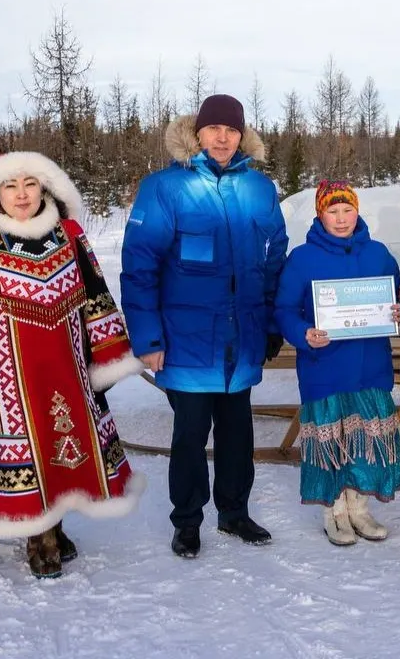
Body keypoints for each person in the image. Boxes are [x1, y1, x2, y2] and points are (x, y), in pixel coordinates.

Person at [0, 151, 144, 579]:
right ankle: (40, 537)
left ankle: (55, 522)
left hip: (68, 363)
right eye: (10, 186)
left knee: (65, 445)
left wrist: (108, 351)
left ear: (46, 188)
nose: (21, 195)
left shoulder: (71, 234)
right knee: (28, 449)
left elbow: (96, 295)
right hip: (5, 373)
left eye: (30, 184)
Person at [120, 94, 288, 559]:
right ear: (197, 133)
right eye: (213, 129)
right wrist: (148, 338)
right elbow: (139, 268)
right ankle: (187, 521)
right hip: (187, 339)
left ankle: (234, 512)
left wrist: (271, 321)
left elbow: (276, 256)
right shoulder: (165, 188)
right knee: (190, 434)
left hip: (243, 337)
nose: (222, 138)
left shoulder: (259, 189)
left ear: (241, 136)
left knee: (238, 432)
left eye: (231, 131)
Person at [274, 180, 400, 545]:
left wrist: (399, 310)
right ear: (320, 214)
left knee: (365, 439)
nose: (341, 218)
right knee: (332, 444)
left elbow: (396, 300)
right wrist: (304, 333)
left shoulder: (378, 253)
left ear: (357, 211)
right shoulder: (302, 258)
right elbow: (284, 310)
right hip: (325, 367)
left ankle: (359, 509)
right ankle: (333, 513)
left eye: (347, 209)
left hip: (370, 367)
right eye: (333, 210)